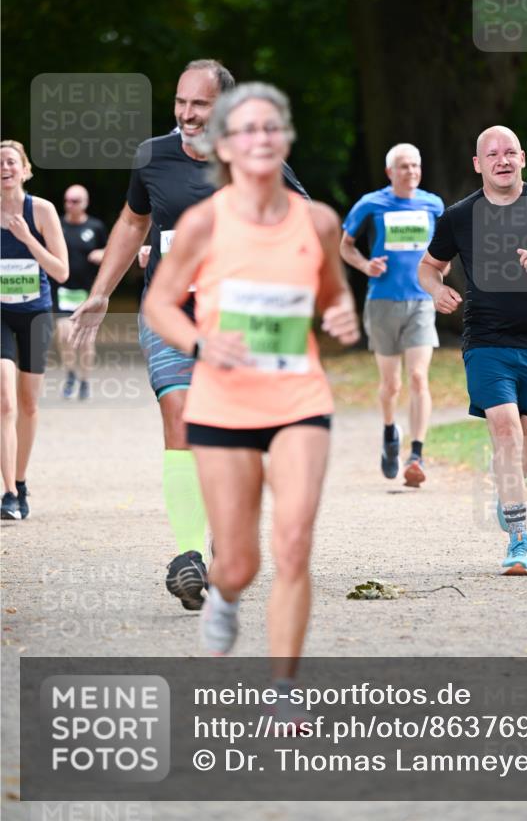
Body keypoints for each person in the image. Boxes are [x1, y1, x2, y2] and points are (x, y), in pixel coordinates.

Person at [69, 59, 308, 612]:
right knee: (178, 417)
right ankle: (187, 558)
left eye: (198, 104)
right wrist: (103, 292)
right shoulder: (154, 156)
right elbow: (133, 221)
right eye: (180, 102)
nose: (186, 113)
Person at [143, 82, 359, 676]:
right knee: (240, 561)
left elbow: (333, 297)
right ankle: (227, 592)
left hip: (297, 397)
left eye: (271, 128)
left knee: (294, 543)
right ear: (225, 146)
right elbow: (160, 305)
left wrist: (342, 316)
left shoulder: (316, 221)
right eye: (245, 130)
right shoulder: (202, 225)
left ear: (284, 141)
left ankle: (284, 685)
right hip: (224, 404)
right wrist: (201, 343)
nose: (259, 139)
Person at [418, 125, 527, 576]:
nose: (502, 159)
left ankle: (507, 486)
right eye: (492, 154)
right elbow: (428, 267)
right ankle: (520, 539)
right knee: (506, 433)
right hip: (486, 343)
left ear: (523, 158)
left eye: (510, 152)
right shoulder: (459, 217)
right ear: (478, 164)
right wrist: (434, 291)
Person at [340, 143, 444, 486]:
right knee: (391, 384)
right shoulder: (372, 203)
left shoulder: (433, 204)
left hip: (420, 302)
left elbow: (446, 247)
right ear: (390, 172)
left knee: (417, 378)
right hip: (383, 301)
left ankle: (416, 455)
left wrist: (440, 274)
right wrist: (364, 265)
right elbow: (346, 245)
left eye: (415, 165)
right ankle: (389, 433)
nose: (411, 171)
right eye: (403, 166)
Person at [1, 140, 68, 520]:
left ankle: (21, 482)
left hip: (35, 315)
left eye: (11, 161)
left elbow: (62, 271)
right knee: (5, 399)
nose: (4, 167)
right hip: (0, 315)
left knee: (28, 403)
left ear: (24, 169)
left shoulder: (41, 210)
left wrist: (27, 237)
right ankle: (8, 492)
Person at [54, 185, 107, 400]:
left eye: (75, 201)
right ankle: (70, 373)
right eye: (67, 200)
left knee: (86, 341)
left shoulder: (95, 227)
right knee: (64, 335)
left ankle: (84, 380)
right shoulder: (56, 224)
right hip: (62, 291)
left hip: (87, 292)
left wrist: (101, 253)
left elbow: (111, 253)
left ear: (85, 202)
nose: (70, 205)